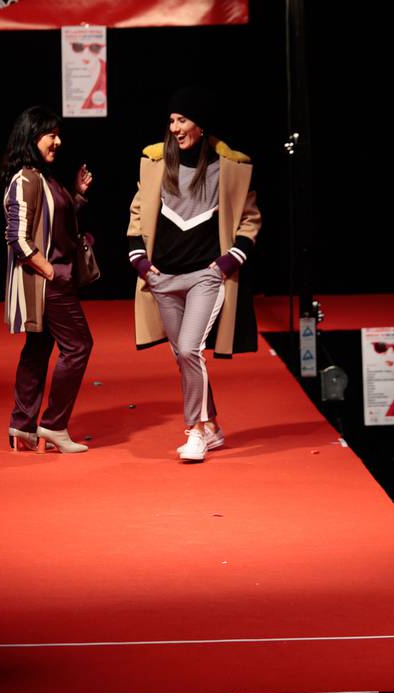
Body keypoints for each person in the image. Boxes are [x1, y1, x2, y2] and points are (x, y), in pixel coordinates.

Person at [127, 86, 261, 461]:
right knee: (184, 356)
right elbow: (137, 215)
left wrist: (227, 263)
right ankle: (212, 426)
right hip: (163, 279)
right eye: (171, 120)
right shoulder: (154, 164)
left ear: (200, 125)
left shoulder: (229, 169)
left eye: (182, 120)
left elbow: (249, 220)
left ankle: (196, 431)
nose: (175, 128)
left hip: (205, 275)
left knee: (189, 349)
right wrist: (142, 264)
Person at [0, 105, 94, 453]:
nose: (58, 141)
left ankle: (22, 426)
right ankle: (54, 425)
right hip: (49, 283)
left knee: (38, 349)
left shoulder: (43, 177)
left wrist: (77, 195)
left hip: (50, 280)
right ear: (31, 136)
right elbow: (18, 237)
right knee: (79, 346)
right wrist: (50, 270)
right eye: (50, 135)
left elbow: (56, 224)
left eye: (58, 135)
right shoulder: (26, 179)